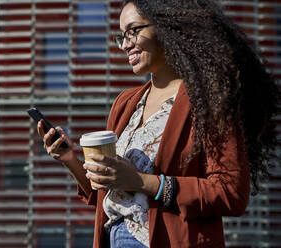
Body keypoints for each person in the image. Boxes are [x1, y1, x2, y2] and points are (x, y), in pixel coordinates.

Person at [37, 0, 280, 247]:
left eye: (133, 30)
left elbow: (231, 193)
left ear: (167, 26)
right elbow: (107, 194)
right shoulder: (125, 103)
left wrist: (143, 181)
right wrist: (68, 158)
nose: (125, 44)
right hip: (112, 238)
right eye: (121, 36)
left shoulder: (209, 101)